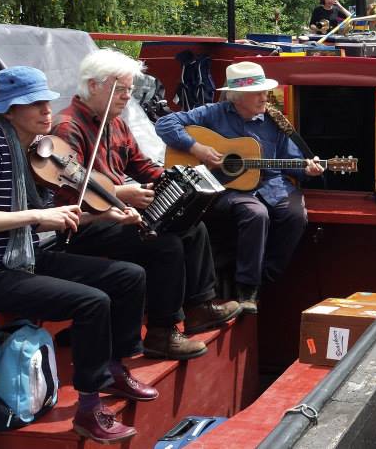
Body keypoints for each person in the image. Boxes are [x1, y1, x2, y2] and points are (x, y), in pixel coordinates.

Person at [0, 66, 154, 444]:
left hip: (26, 256)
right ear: (9, 110)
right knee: (93, 302)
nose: (47, 110)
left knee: (129, 275)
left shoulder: (35, 153)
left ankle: (115, 366)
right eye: (34, 103)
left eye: (47, 101)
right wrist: (40, 215)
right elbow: (28, 218)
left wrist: (107, 214)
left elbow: (43, 223)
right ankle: (88, 406)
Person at [51, 49, 240, 360]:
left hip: (116, 214)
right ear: (94, 85)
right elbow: (74, 190)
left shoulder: (117, 123)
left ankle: (198, 308)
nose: (128, 96)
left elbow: (143, 166)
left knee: (193, 227)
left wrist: (179, 179)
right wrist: (125, 194)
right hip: (83, 225)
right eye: (121, 89)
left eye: (129, 89)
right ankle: (162, 332)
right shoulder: (67, 127)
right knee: (165, 244)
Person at [155, 62, 325, 313]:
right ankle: (247, 289)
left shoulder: (274, 120)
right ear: (237, 97)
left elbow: (292, 162)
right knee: (255, 214)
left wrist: (307, 169)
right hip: (228, 188)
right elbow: (165, 124)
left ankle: (264, 277)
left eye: (264, 91)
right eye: (257, 92)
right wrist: (197, 148)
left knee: (295, 216)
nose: (264, 97)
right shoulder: (213, 113)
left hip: (271, 186)